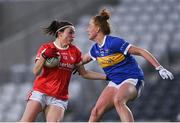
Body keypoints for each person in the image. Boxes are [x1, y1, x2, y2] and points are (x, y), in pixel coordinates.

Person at [81, 9, 174, 122]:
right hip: (115, 81)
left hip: (132, 78)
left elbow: (141, 51)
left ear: (98, 28)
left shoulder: (114, 42)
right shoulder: (95, 49)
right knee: (95, 112)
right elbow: (80, 61)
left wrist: (159, 68)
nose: (87, 29)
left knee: (118, 100)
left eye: (89, 26)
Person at [20, 20, 107, 122]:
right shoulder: (46, 48)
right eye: (70, 32)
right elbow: (36, 72)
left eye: (73, 33)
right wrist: (44, 56)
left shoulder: (75, 51)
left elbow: (85, 73)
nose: (73, 36)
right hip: (41, 92)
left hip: (59, 97)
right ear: (60, 34)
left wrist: (106, 76)